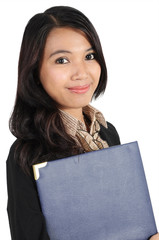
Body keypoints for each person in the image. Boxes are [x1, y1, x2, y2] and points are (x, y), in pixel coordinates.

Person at [6, 6, 159, 240]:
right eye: (62, 60)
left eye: (89, 56)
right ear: (35, 70)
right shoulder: (26, 154)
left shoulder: (107, 133)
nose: (81, 73)